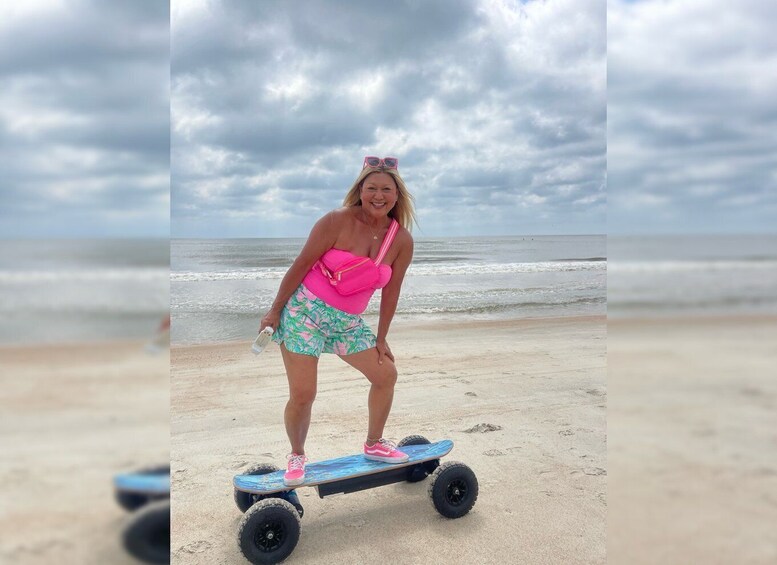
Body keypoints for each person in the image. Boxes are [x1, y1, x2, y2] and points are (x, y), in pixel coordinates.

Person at [259, 156, 416, 486]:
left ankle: (375, 444)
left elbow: (392, 292)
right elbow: (301, 265)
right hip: (304, 314)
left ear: (396, 195)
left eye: (386, 189)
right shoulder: (335, 221)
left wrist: (382, 337)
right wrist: (275, 310)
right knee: (304, 393)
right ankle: (297, 455)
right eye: (371, 187)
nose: (378, 195)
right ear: (360, 190)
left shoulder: (401, 240)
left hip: (347, 322)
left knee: (385, 374)